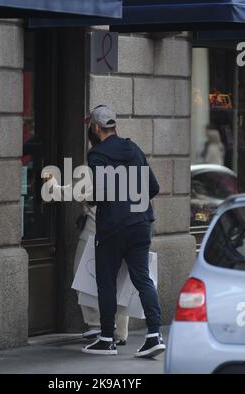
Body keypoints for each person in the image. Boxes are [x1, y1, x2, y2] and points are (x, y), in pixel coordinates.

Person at [82, 105, 165, 358]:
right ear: (113, 125)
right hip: (141, 225)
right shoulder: (134, 149)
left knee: (106, 282)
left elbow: (103, 191)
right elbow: (153, 187)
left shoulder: (96, 155)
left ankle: (107, 338)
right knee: (143, 279)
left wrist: (89, 199)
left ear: (96, 128)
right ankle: (154, 335)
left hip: (113, 228)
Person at [42, 126, 129, 345]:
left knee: (84, 273)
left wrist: (51, 184)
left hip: (96, 227)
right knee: (118, 278)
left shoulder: (95, 162)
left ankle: (96, 325)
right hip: (125, 226)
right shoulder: (126, 159)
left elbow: (74, 191)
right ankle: (120, 331)